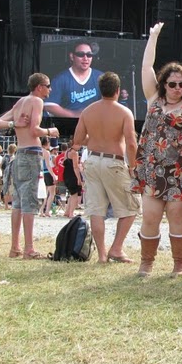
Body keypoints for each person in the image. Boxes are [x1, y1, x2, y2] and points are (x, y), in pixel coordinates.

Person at [130, 22, 182, 277]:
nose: (177, 88)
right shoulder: (153, 100)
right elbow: (146, 66)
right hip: (151, 168)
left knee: (176, 217)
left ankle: (180, 263)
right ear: (164, 84)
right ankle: (146, 262)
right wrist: (153, 37)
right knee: (149, 217)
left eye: (181, 84)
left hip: (178, 170)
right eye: (172, 84)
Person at [72, 72, 141, 264]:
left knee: (97, 210)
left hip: (92, 161)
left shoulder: (88, 111)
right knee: (131, 206)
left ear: (99, 90)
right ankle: (116, 249)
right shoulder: (124, 112)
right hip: (114, 162)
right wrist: (133, 167)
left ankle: (102, 255)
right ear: (118, 90)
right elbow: (131, 143)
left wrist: (94, 139)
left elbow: (77, 141)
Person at [0, 72, 59, 259]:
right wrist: (51, 131)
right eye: (48, 85)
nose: (50, 89)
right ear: (39, 87)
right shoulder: (36, 102)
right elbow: (34, 130)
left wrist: (14, 123)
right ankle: (29, 248)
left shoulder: (21, 102)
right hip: (31, 153)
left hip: (20, 153)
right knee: (29, 202)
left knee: (19, 203)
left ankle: (15, 247)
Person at [44, 40, 104, 118]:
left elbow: (110, 101)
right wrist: (74, 115)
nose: (85, 58)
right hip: (69, 125)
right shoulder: (60, 79)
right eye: (81, 54)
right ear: (72, 56)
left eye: (89, 55)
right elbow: (49, 105)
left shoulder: (101, 77)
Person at [63, 144, 83, 218]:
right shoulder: (75, 153)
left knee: (71, 194)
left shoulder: (67, 151)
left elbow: (64, 163)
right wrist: (79, 179)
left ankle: (67, 211)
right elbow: (75, 167)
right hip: (72, 175)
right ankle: (71, 213)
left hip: (66, 174)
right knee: (74, 195)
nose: (80, 146)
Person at [40, 137, 58, 217]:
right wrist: (53, 175)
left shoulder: (38, 150)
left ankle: (41, 210)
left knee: (44, 192)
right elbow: (48, 165)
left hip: (41, 172)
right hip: (47, 172)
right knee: (51, 193)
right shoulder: (46, 152)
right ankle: (47, 210)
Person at [2, 144, 17, 210]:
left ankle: (6, 205)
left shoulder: (5, 156)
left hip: (5, 174)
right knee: (12, 190)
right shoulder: (14, 157)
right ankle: (13, 205)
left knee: (6, 189)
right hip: (12, 175)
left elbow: (2, 166)